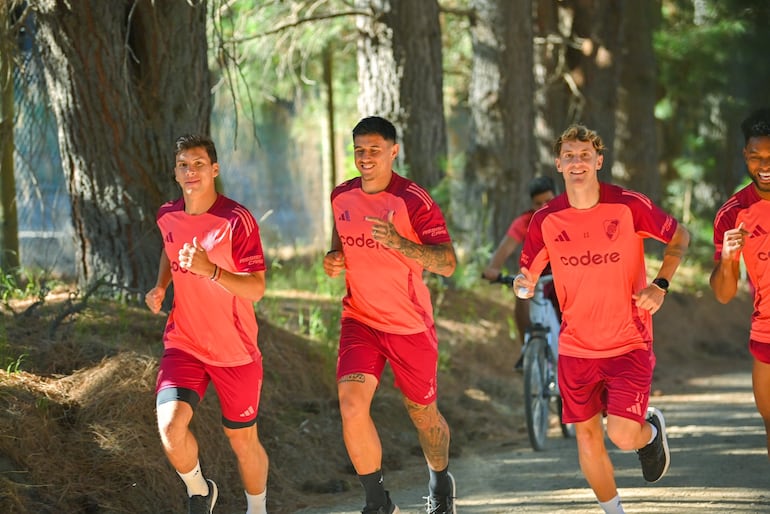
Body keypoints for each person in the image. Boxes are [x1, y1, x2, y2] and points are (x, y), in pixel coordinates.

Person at [514, 124, 690, 514]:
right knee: (588, 438)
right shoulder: (545, 220)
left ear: (599, 160)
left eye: (585, 155)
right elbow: (525, 274)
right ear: (559, 164)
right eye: (570, 156)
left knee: (622, 435)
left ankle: (649, 433)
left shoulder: (628, 205)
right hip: (576, 347)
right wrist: (521, 286)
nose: (578, 163)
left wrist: (660, 284)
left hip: (629, 340)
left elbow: (681, 236)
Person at [323, 116, 458, 514]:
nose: (365, 158)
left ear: (393, 151)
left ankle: (440, 482)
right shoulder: (341, 196)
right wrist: (334, 260)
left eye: (374, 150)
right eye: (359, 150)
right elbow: (340, 246)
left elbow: (448, 263)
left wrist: (400, 243)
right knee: (350, 404)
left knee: (424, 416)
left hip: (409, 326)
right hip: (360, 320)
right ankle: (377, 501)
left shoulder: (413, 199)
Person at [145, 134, 270, 514]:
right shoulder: (168, 214)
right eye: (184, 164)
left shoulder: (236, 220)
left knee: (242, 439)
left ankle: (257, 508)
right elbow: (171, 249)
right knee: (170, 426)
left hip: (235, 351)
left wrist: (211, 270)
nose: (191, 171)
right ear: (175, 172)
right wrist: (161, 285)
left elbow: (257, 289)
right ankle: (200, 492)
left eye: (199, 164)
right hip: (185, 342)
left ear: (214, 169)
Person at [710, 107, 770, 459]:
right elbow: (723, 294)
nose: (765, 165)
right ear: (744, 156)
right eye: (755, 156)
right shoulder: (733, 214)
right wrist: (729, 259)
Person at [483, 175, 556, 368]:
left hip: (563, 275)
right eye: (538, 203)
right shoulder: (525, 221)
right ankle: (528, 348)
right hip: (536, 275)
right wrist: (493, 268)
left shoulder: (568, 216)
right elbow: (505, 248)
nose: (543, 207)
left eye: (548, 201)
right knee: (521, 290)